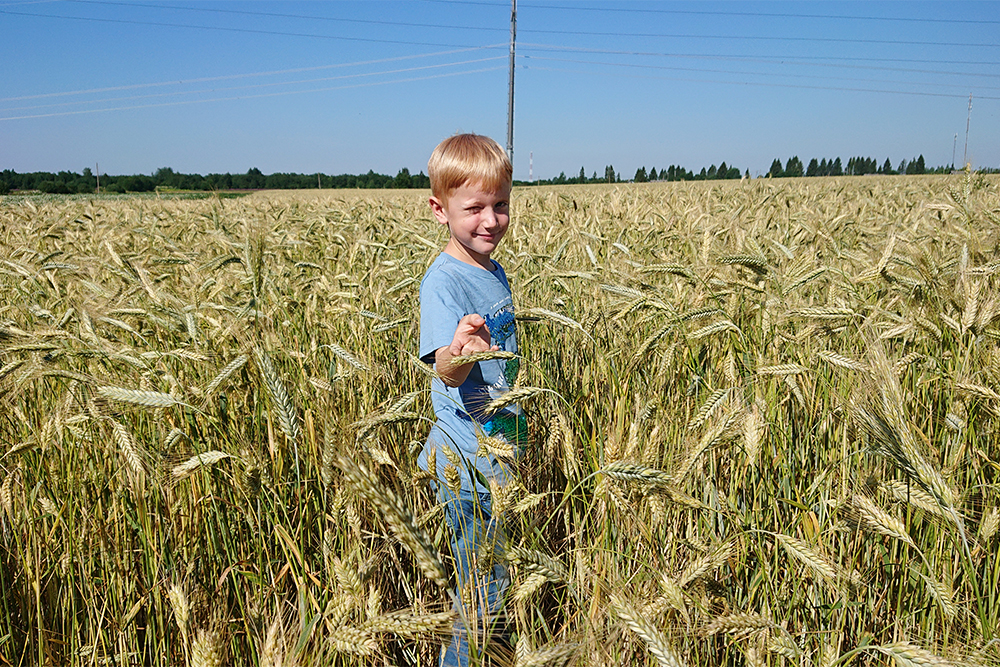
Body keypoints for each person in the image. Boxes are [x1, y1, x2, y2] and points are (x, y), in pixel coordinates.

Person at [417, 133, 527, 666]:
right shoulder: (442, 283)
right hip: (466, 460)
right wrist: (459, 352)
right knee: (483, 588)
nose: (490, 220)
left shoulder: (490, 267)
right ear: (439, 210)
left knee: (495, 581)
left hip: (495, 450)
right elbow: (445, 369)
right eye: (475, 208)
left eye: (500, 205)